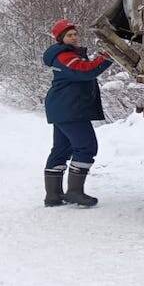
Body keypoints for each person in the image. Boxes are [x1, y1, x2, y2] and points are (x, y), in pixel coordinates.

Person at [42, 19, 113, 207]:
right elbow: (85, 71)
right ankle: (74, 192)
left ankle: (53, 195)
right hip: (69, 109)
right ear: (61, 38)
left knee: (61, 150)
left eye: (75, 34)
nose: (73, 37)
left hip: (63, 108)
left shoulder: (65, 54)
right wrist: (107, 57)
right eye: (69, 35)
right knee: (86, 147)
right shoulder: (64, 56)